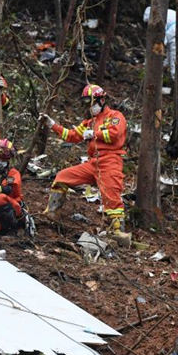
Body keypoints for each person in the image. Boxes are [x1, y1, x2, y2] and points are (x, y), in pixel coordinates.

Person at [40, 84, 130, 245]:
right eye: (87, 103)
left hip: (110, 161)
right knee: (62, 177)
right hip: (92, 162)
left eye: (92, 102)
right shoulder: (89, 122)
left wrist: (95, 134)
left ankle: (117, 232)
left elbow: (115, 135)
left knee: (111, 196)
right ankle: (52, 213)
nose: (90, 107)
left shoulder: (116, 116)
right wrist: (52, 124)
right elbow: (72, 136)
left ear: (102, 100)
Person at [143, 7, 178, 88]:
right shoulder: (167, 12)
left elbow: (159, 44)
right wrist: (165, 64)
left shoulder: (156, 18)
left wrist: (148, 62)